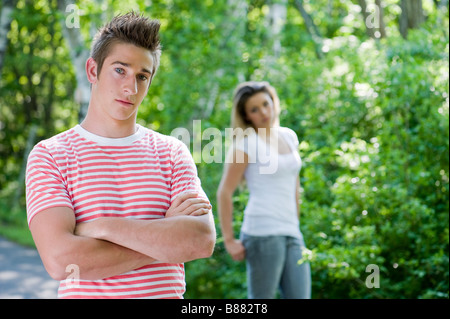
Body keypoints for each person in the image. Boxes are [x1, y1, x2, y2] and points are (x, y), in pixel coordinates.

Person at [25, 12, 216, 299]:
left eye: (142, 76)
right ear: (93, 71)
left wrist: (100, 227)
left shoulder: (172, 152)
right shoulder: (51, 155)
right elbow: (62, 261)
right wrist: (163, 240)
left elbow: (200, 241)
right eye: (120, 70)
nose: (131, 88)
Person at [217, 81, 311, 299]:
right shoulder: (246, 144)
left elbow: (294, 185)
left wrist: (295, 222)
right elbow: (224, 192)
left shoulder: (289, 136)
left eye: (266, 104)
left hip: (291, 231)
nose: (264, 112)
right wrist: (229, 240)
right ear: (247, 116)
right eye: (254, 109)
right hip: (263, 232)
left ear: (273, 103)